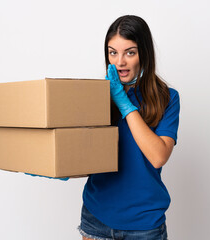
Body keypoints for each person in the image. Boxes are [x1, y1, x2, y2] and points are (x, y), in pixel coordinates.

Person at [78, 15, 180, 240]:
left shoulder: (167, 98)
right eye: (113, 52)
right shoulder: (95, 95)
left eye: (130, 52)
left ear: (144, 53)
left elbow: (158, 156)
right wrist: (57, 165)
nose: (119, 62)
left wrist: (124, 104)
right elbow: (85, 152)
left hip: (144, 225)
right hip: (96, 217)